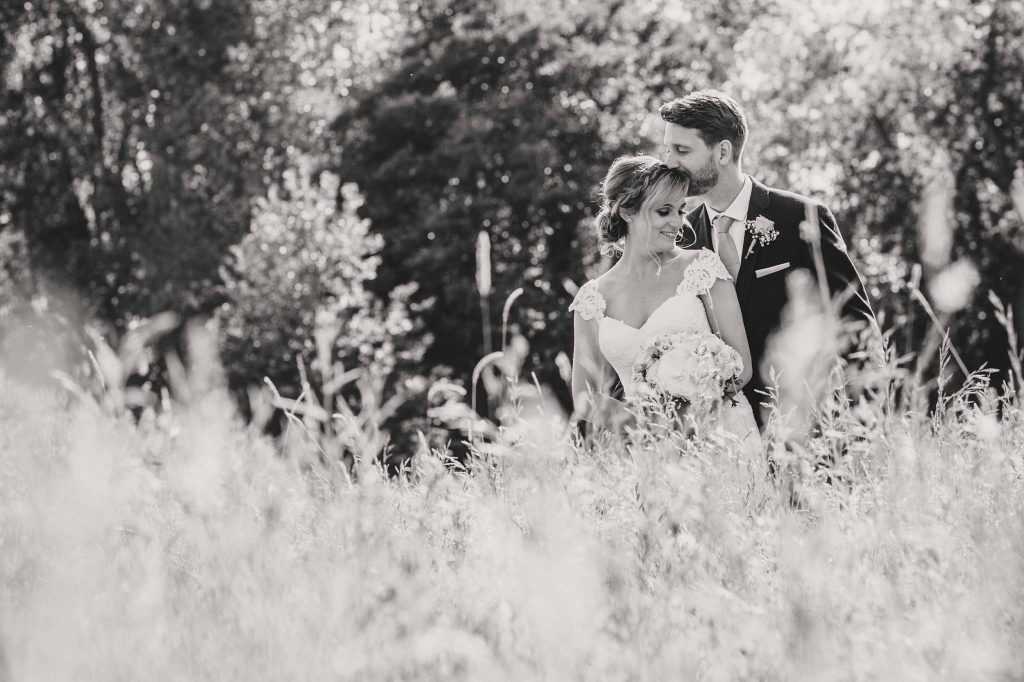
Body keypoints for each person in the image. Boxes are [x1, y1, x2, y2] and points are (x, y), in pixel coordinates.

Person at [660, 90, 878, 427]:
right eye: (668, 149)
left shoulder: (801, 217)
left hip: (807, 423)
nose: (669, 162)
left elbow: (856, 323)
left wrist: (860, 421)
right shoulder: (681, 236)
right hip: (724, 434)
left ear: (722, 151)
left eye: (682, 150)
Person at [569, 154, 761, 451]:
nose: (678, 222)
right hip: (644, 451)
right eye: (664, 211)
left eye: (681, 210)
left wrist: (686, 420)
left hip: (721, 440)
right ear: (627, 212)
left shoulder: (702, 267)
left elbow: (741, 367)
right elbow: (585, 397)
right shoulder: (592, 300)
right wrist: (650, 428)